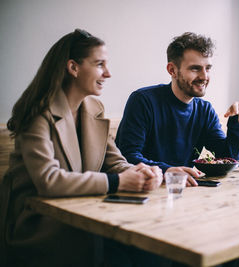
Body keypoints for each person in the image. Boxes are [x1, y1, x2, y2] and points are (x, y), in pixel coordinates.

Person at [0, 29, 163, 267]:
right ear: (73, 68)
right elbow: (49, 180)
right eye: (99, 64)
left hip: (85, 216)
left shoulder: (94, 107)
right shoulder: (38, 114)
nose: (108, 73)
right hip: (41, 226)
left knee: (149, 254)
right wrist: (118, 182)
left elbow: (115, 162)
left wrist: (143, 172)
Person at [116, 32, 239, 186]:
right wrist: (168, 171)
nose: (204, 76)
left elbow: (226, 160)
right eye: (195, 69)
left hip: (183, 191)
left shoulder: (204, 111)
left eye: (208, 68)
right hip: (145, 190)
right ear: (172, 70)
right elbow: (128, 157)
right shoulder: (143, 100)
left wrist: (238, 121)